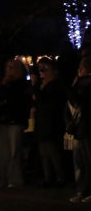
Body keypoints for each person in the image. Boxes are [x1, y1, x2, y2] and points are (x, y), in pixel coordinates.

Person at [0, 59, 30, 188]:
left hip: (15, 119)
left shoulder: (22, 84)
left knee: (15, 151)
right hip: (4, 119)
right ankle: (4, 179)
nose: (9, 70)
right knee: (4, 152)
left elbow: (17, 100)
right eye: (8, 67)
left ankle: (15, 179)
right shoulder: (5, 84)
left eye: (12, 67)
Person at [34, 58, 66, 188]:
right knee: (44, 153)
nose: (42, 72)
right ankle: (48, 178)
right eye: (41, 69)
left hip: (52, 122)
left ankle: (61, 178)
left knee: (53, 152)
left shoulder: (56, 85)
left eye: (45, 69)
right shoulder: (43, 85)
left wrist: (37, 86)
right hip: (42, 122)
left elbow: (44, 100)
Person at [65, 56, 91, 202]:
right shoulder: (78, 83)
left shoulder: (86, 85)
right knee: (82, 162)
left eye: (83, 67)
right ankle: (83, 191)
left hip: (87, 127)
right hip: (80, 127)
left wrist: (69, 90)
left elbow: (80, 102)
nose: (79, 70)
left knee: (88, 161)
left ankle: (87, 191)